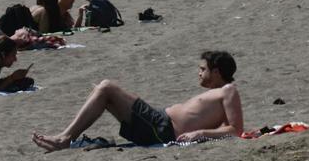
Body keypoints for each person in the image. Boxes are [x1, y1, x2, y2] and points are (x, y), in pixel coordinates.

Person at [32, 51, 243, 150]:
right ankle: (66, 136)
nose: (199, 73)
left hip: (162, 128)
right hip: (159, 122)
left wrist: (201, 133)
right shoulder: (218, 93)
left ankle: (65, 138)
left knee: (106, 87)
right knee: (102, 91)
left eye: (203, 69)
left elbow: (235, 129)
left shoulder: (228, 91)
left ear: (216, 71)